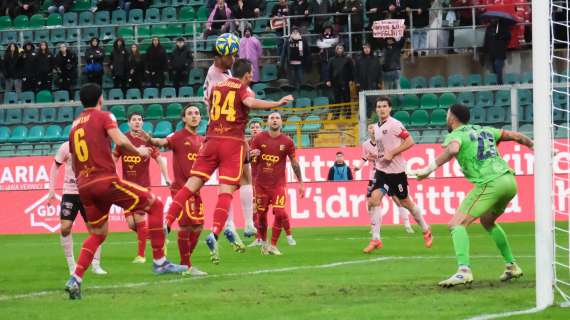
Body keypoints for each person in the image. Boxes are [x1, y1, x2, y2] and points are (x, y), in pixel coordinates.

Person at [64, 83, 186, 300]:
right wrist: (138, 150)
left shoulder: (74, 127)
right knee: (155, 204)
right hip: (104, 180)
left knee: (98, 233)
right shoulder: (103, 116)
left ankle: (76, 278)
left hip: (84, 186)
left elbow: (73, 162)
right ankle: (159, 261)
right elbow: (120, 140)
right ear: (100, 99)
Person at [166, 59, 293, 264]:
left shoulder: (217, 86)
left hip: (211, 139)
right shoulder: (243, 89)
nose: (253, 75)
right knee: (226, 191)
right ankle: (215, 232)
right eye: (252, 72)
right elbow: (250, 103)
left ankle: (167, 221)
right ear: (248, 74)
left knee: (191, 185)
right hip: (231, 143)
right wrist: (277, 103)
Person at [411, 104, 532, 287]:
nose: (446, 118)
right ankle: (511, 265)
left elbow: (452, 150)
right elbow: (516, 136)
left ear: (452, 118)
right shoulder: (485, 129)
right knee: (487, 221)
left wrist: (428, 169)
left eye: (447, 115)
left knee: (456, 224)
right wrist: (534, 146)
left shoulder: (456, 134)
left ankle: (463, 271)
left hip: (490, 183)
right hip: (509, 181)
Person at [146, 105, 209, 277]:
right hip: (181, 188)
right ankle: (186, 266)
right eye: (190, 114)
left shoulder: (203, 140)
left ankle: (185, 264)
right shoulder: (178, 136)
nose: (194, 116)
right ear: (183, 119)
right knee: (186, 226)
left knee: (198, 226)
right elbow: (162, 142)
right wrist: (151, 141)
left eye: (196, 113)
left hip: (196, 190)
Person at [364, 96, 433, 253]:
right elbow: (382, 150)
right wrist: (376, 156)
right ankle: (375, 239)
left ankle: (426, 229)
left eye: (384, 106)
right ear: (376, 109)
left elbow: (410, 141)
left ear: (389, 108)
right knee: (373, 201)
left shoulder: (395, 124)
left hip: (396, 172)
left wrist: (393, 153)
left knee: (406, 203)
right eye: (379, 106)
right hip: (382, 170)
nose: (381, 109)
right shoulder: (375, 127)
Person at [203, 47, 257, 240]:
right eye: (230, 55)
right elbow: (248, 101)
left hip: (216, 132)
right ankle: (243, 224)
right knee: (242, 178)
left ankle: (233, 224)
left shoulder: (217, 76)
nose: (232, 58)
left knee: (229, 181)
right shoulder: (230, 83)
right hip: (229, 134)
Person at [113, 112, 171, 264]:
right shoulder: (123, 140)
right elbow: (113, 159)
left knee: (139, 219)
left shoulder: (147, 141)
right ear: (129, 122)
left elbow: (160, 160)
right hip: (126, 188)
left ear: (142, 123)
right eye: (134, 120)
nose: (137, 122)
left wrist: (167, 178)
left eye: (139, 120)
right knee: (132, 224)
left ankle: (141, 255)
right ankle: (159, 238)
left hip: (142, 187)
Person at [47, 142, 108, 276]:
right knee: (65, 227)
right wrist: (51, 189)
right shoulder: (66, 147)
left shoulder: (92, 144)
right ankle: (71, 265)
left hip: (88, 192)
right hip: (69, 193)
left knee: (95, 229)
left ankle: (96, 264)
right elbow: (55, 166)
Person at [249, 112, 304, 255]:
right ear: (267, 122)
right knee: (261, 215)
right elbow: (250, 159)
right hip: (261, 184)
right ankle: (264, 243)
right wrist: (251, 155)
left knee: (279, 213)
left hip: (278, 184)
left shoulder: (287, 141)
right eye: (272, 118)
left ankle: (273, 244)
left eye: (277, 118)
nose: (274, 120)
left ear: (281, 122)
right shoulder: (258, 138)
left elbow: (294, 163)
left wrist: (301, 182)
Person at [353, 124, 414, 242]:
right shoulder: (366, 144)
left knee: (398, 200)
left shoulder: (385, 141)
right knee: (371, 202)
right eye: (370, 128)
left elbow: (393, 154)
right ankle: (374, 226)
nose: (372, 130)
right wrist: (358, 167)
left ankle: (407, 225)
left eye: (373, 128)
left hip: (390, 173)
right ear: (368, 131)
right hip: (376, 175)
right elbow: (364, 157)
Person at [326, 44, 354, 117]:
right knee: (336, 99)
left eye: (341, 48)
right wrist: (328, 80)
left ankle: (348, 114)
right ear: (336, 50)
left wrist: (351, 80)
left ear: (343, 49)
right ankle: (336, 115)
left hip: (345, 82)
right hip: (335, 83)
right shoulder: (331, 60)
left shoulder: (348, 59)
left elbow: (352, 70)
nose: (339, 50)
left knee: (347, 99)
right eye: (338, 49)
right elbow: (328, 71)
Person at [355, 43, 382, 116]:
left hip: (373, 83)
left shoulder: (375, 59)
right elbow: (356, 72)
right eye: (365, 48)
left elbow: (379, 71)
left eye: (368, 48)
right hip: (362, 84)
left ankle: (371, 116)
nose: (366, 50)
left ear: (370, 49)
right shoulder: (359, 60)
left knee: (373, 100)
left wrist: (379, 82)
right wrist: (357, 82)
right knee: (363, 101)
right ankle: (363, 116)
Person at [483, 19, 511, 85]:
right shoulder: (489, 28)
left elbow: (508, 37)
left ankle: (499, 85)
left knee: (498, 69)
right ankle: (495, 85)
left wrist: (499, 36)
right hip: (492, 52)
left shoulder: (503, 27)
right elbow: (486, 40)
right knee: (494, 71)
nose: (493, 20)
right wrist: (485, 50)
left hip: (500, 52)